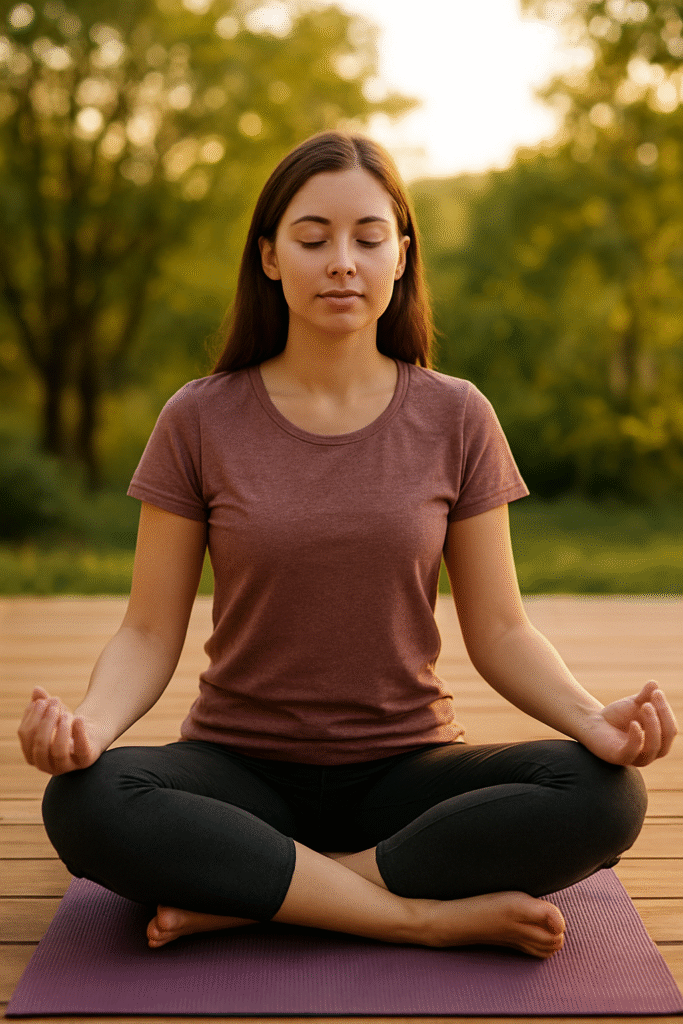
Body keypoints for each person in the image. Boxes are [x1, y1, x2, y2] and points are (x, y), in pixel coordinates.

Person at [19, 132, 677, 961]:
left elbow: (501, 630)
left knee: (602, 793)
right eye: (312, 237)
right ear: (268, 256)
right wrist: (90, 727)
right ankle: (412, 915)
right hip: (238, 770)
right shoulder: (197, 418)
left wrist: (592, 719)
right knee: (87, 801)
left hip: (404, 772)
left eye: (367, 239)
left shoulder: (455, 415)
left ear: (400, 257)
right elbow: (150, 631)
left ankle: (268, 895)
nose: (341, 261)